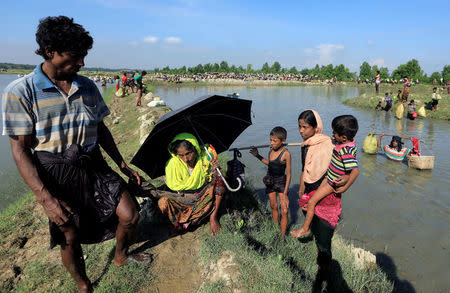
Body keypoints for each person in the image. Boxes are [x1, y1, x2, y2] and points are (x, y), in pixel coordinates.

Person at [1, 16, 148, 293]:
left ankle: (120, 256)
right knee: (69, 232)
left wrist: (121, 164)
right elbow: (20, 150)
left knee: (130, 214)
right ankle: (82, 283)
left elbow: (101, 128)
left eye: (83, 56)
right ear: (49, 51)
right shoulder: (20, 92)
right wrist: (46, 199)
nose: (81, 62)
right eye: (75, 55)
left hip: (93, 163)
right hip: (55, 170)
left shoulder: (88, 87)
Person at [289, 110, 349, 286]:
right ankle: (321, 265)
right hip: (309, 193)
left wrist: (345, 179)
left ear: (316, 128)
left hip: (325, 196)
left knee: (324, 238)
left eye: (305, 127)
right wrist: (301, 187)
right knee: (316, 231)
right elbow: (304, 169)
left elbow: (346, 170)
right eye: (299, 126)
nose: (301, 130)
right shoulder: (306, 145)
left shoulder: (330, 144)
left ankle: (324, 273)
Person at [291, 115, 359, 239]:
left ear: (344, 137)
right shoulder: (346, 143)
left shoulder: (346, 151)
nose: (332, 135)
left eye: (334, 133)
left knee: (311, 202)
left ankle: (305, 229)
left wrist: (346, 183)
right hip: (328, 178)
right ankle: (310, 226)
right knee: (314, 198)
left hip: (332, 183)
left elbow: (355, 171)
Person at [154, 133, 226, 236]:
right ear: (176, 154)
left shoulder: (205, 158)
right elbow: (174, 188)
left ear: (195, 149)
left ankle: (212, 217)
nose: (186, 159)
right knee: (163, 202)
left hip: (204, 198)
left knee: (220, 179)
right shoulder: (173, 164)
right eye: (181, 155)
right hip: (184, 200)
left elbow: (214, 182)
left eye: (188, 153)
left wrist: (216, 170)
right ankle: (179, 224)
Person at [250, 127, 292, 240]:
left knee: (284, 209)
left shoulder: (286, 154)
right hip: (270, 181)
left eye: (274, 141)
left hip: (281, 182)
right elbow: (270, 164)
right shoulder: (270, 151)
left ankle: (282, 236)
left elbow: (289, 174)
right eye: (270, 140)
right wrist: (257, 155)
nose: (271, 143)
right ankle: (275, 227)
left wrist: (286, 193)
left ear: (282, 141)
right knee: (273, 206)